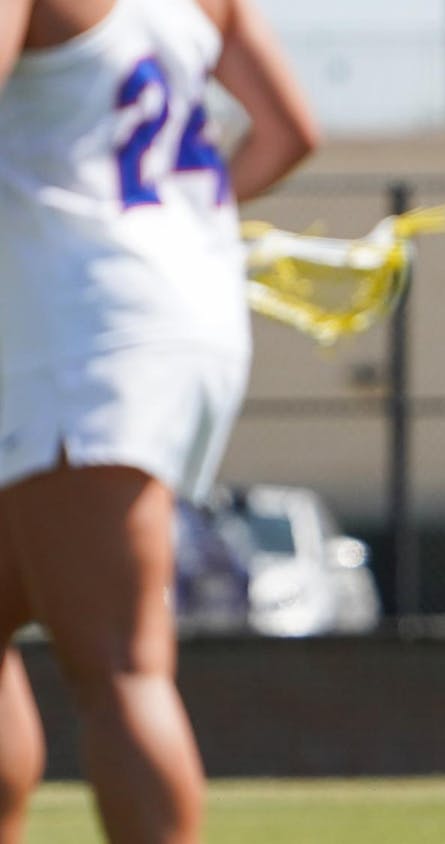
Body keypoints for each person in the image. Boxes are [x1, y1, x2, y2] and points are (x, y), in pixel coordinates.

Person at [0, 1, 318, 841]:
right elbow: (289, 132)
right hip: (163, 316)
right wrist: (175, 223)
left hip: (83, 332)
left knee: (119, 667)